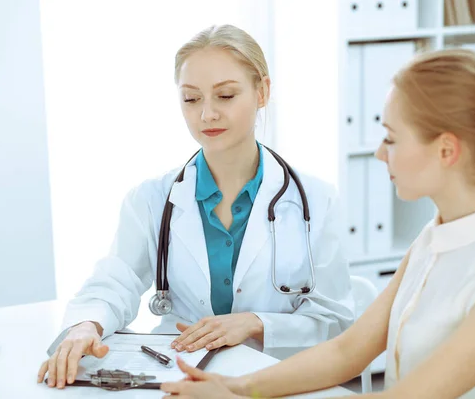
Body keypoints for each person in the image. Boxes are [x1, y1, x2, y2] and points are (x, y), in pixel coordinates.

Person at [160, 48, 475, 398]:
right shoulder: (436, 238)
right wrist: (233, 387)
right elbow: (346, 352)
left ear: (447, 150)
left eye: (391, 138)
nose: (380, 153)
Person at [37, 24, 354, 389]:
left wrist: (257, 323)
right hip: (179, 377)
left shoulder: (314, 200)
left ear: (262, 91)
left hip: (273, 381)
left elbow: (336, 322)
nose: (207, 115)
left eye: (226, 96)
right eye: (191, 99)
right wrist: (85, 325)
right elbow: (114, 282)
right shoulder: (153, 199)